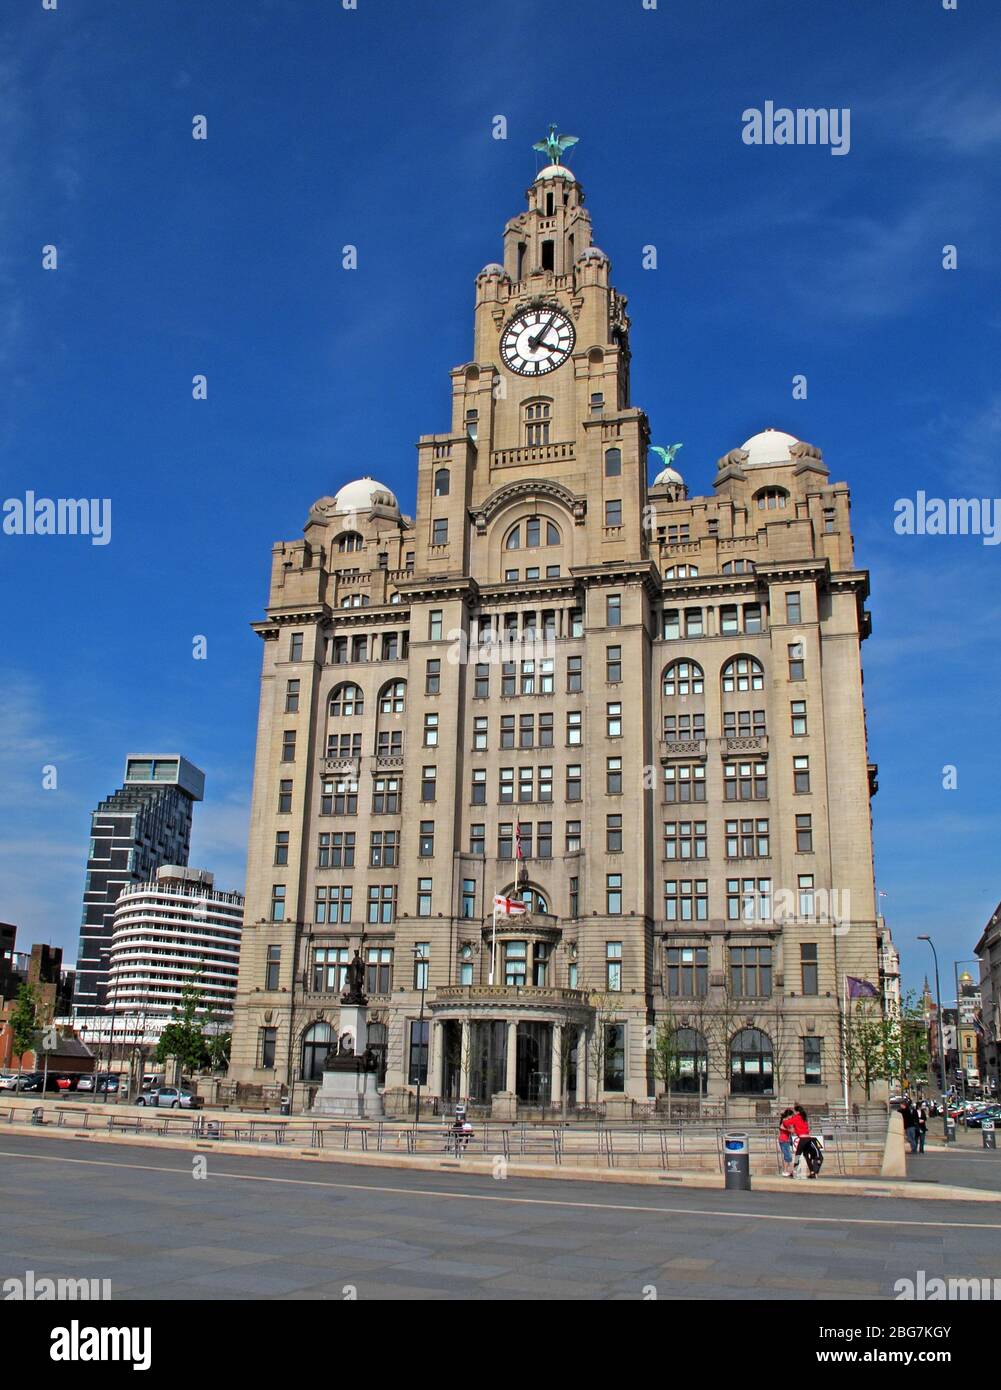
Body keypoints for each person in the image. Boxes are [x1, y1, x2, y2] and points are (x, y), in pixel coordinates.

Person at [791, 1104, 822, 1178]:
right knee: (806, 1155)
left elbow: (788, 1123)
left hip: (802, 1139)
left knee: (797, 1155)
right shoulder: (804, 1118)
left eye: (794, 1111)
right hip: (808, 1138)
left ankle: (795, 1171)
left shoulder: (796, 1117)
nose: (794, 1113)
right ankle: (812, 1172)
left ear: (797, 1112)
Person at [778, 1108, 797, 1177]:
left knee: (788, 1156)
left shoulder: (785, 1121)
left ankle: (788, 1170)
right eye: (791, 1116)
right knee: (787, 1156)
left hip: (785, 1140)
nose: (792, 1117)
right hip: (784, 1140)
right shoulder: (785, 1121)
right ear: (789, 1115)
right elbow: (791, 1130)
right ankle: (785, 1171)